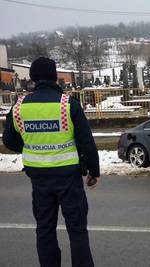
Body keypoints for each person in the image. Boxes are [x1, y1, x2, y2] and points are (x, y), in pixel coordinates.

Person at [2, 57, 100, 267]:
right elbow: (87, 142)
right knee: (77, 229)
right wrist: (94, 171)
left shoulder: (19, 108)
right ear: (55, 77)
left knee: (44, 229)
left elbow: (9, 141)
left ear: (33, 78)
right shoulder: (68, 105)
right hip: (68, 178)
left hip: (38, 179)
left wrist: (31, 144)